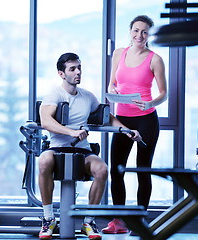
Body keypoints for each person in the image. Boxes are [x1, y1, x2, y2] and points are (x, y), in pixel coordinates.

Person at [38, 52, 142, 240]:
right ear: (61, 73)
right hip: (57, 147)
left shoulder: (87, 96)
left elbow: (108, 117)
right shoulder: (54, 94)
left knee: (102, 169)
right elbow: (45, 121)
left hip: (82, 149)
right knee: (44, 161)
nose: (78, 72)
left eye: (79, 67)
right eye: (72, 69)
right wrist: (72, 132)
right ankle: (48, 219)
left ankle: (89, 221)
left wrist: (127, 130)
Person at [101, 15, 167, 234]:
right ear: (130, 31)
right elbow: (112, 83)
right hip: (122, 119)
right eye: (136, 30)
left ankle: (140, 221)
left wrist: (149, 102)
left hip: (146, 119)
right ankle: (117, 221)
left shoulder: (155, 59)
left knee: (142, 170)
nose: (140, 35)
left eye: (145, 32)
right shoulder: (119, 54)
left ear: (149, 35)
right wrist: (113, 91)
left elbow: (164, 93)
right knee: (116, 169)